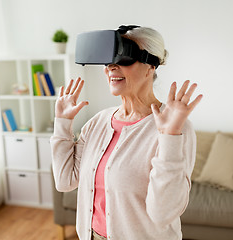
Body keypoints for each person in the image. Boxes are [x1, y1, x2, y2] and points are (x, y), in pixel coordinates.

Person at [51, 26, 203, 240]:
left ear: (151, 65)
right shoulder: (98, 122)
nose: (111, 67)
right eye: (108, 60)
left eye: (124, 58)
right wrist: (62, 123)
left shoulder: (177, 129)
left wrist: (169, 138)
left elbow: (162, 214)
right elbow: (65, 181)